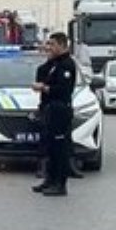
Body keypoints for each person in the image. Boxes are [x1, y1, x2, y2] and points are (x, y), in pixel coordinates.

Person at [30, 33, 78, 197]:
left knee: (59, 148)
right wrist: (49, 58)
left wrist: (44, 88)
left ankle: (60, 183)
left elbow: (63, 90)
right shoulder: (54, 64)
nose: (48, 47)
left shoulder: (67, 65)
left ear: (62, 45)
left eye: (52, 45)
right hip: (49, 109)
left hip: (60, 110)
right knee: (49, 148)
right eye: (48, 45)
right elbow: (41, 72)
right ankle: (49, 180)